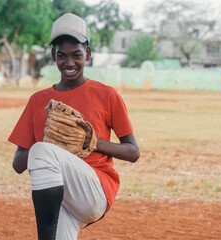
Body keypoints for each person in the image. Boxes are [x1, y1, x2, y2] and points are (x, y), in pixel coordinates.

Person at [8, 13, 140, 240]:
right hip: (58, 197)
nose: (69, 63)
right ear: (53, 56)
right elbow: (18, 164)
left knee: (42, 151)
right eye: (62, 56)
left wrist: (93, 143)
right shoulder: (38, 100)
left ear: (87, 53)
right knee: (42, 151)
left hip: (94, 190)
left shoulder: (106, 94)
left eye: (76, 55)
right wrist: (53, 145)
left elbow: (133, 152)